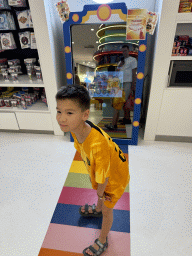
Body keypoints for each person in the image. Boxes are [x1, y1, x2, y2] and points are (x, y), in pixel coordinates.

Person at [56, 84, 130, 256]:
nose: (61, 118)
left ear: (85, 115)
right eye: (59, 111)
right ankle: (97, 209)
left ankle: (103, 240)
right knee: (99, 196)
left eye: (69, 113)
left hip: (114, 178)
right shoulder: (77, 129)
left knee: (106, 208)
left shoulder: (98, 145)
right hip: (104, 172)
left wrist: (101, 194)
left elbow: (104, 178)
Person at [105, 44, 137, 130]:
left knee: (118, 103)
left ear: (128, 51)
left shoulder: (132, 60)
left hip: (127, 83)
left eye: (125, 51)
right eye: (122, 51)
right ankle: (123, 120)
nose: (124, 53)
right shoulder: (120, 62)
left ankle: (114, 124)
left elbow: (134, 73)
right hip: (119, 84)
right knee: (118, 103)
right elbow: (116, 73)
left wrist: (133, 85)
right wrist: (120, 65)